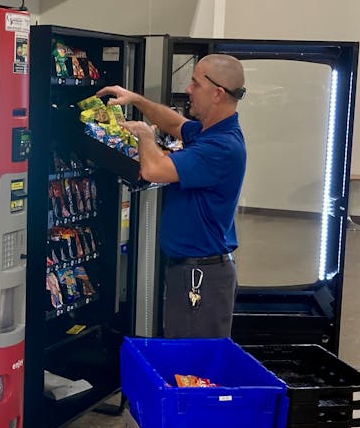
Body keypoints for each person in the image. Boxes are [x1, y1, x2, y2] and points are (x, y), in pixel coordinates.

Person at [96, 54, 247, 338]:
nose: (188, 90)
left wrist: (144, 136)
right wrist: (136, 100)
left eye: (195, 83)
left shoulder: (221, 147)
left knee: (193, 365)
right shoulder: (210, 131)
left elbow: (153, 169)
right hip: (194, 272)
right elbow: (176, 124)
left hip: (200, 277)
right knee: (186, 355)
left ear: (217, 94)